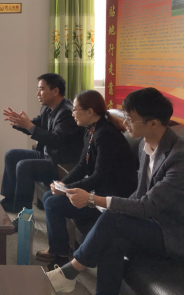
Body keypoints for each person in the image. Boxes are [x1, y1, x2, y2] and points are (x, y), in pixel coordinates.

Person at [46, 88, 184, 295]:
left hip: (172, 232)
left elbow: (148, 205)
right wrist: (104, 204)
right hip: (150, 222)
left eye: (130, 119)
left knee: (113, 220)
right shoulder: (145, 145)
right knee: (112, 239)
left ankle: (71, 271)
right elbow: (139, 194)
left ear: (154, 123)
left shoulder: (179, 157)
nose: (125, 123)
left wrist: (92, 199)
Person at [37, 90, 138, 268]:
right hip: (99, 189)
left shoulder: (106, 135)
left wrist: (67, 190)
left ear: (90, 112)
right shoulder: (91, 130)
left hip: (110, 198)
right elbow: (82, 165)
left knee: (52, 203)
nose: (72, 113)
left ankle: (59, 254)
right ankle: (59, 248)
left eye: (75, 109)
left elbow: (100, 176)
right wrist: (64, 183)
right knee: (48, 196)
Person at [1, 73, 84, 214]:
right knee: (11, 155)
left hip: (60, 162)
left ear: (55, 91)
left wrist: (29, 126)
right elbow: (35, 125)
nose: (37, 93)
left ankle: (23, 212)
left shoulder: (67, 112)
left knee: (24, 166)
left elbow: (56, 140)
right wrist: (19, 122)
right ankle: (10, 200)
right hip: (47, 155)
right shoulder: (47, 108)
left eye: (41, 89)